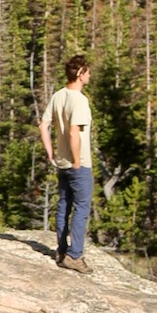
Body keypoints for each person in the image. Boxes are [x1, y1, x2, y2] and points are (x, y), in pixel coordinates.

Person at [40, 55, 94, 274]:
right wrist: (78, 159)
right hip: (77, 163)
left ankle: (61, 250)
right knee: (81, 209)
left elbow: (43, 125)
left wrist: (51, 152)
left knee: (64, 205)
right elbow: (74, 132)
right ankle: (74, 255)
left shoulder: (58, 96)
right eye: (88, 72)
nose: (89, 76)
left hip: (61, 162)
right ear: (80, 74)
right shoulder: (79, 100)